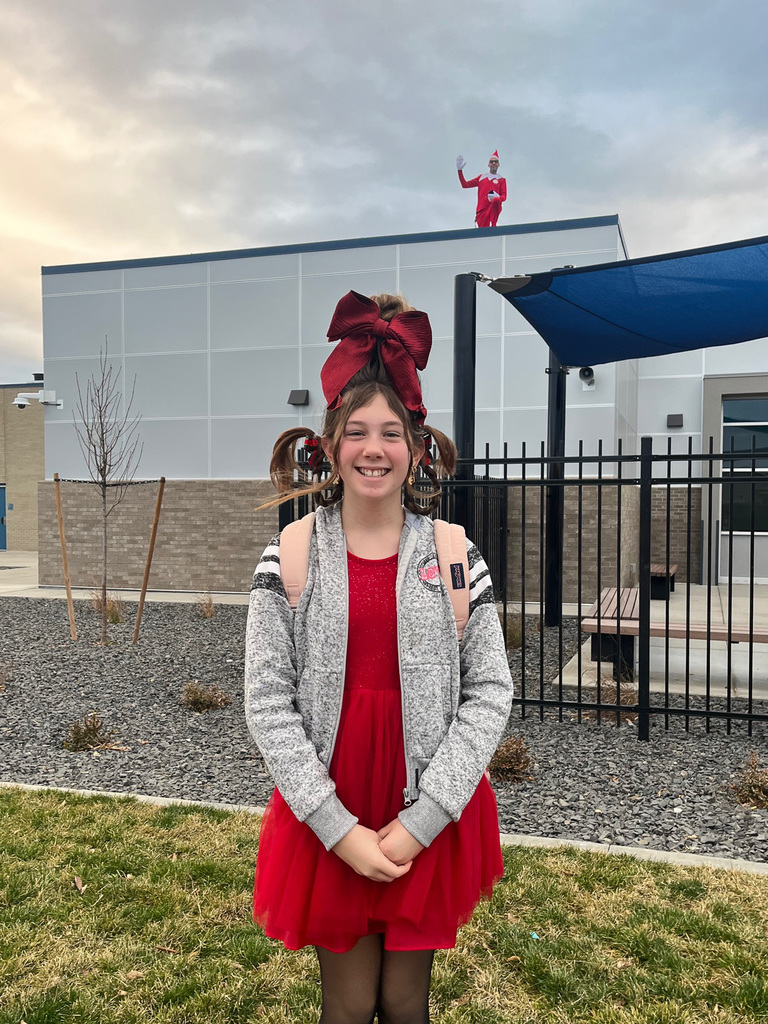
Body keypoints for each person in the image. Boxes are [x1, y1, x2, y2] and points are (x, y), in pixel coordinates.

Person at [245, 290, 514, 1024]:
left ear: (416, 449)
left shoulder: (454, 555)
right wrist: (336, 827)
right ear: (331, 446)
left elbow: (491, 690)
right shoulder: (291, 556)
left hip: (426, 803)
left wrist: (424, 819)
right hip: (330, 804)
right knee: (349, 1002)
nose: (374, 448)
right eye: (357, 432)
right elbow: (267, 699)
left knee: (403, 1000)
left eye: (391, 433)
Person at [456, 150, 507, 227]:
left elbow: (504, 197)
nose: (494, 163)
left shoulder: (501, 180)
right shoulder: (482, 178)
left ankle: (494, 226)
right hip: (482, 211)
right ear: (488, 164)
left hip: (493, 208)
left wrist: (498, 197)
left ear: (498, 164)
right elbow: (465, 185)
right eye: (491, 162)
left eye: (496, 162)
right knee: (484, 232)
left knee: (496, 201)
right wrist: (460, 171)